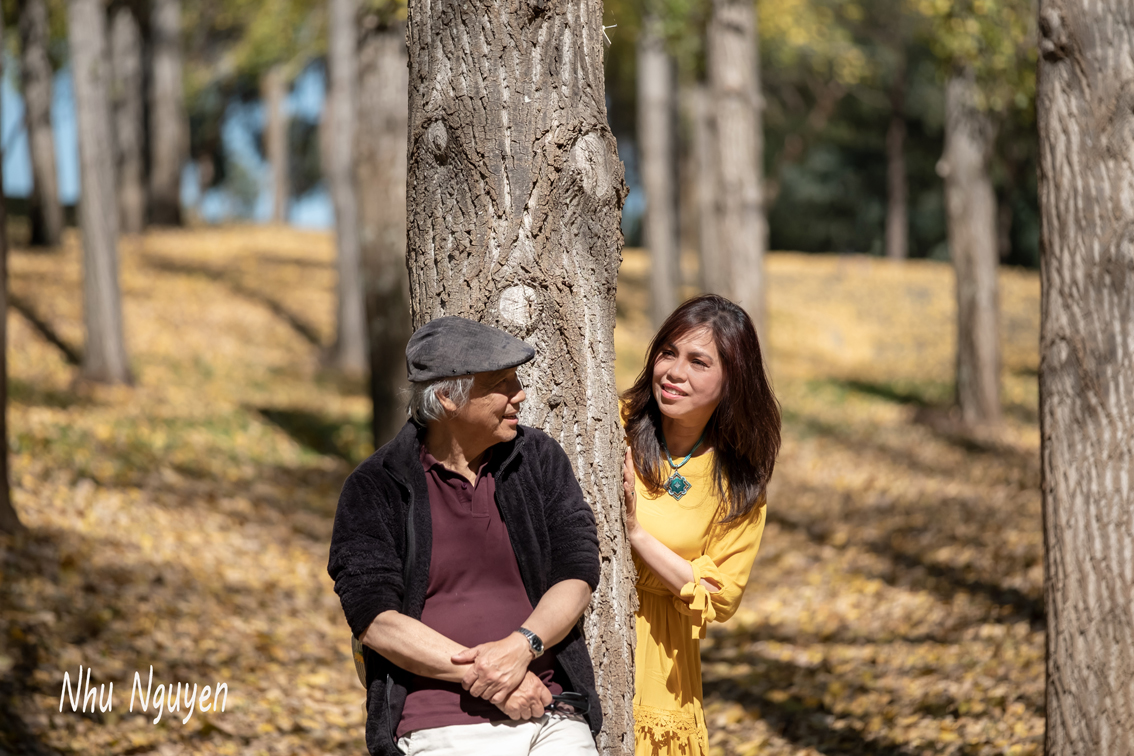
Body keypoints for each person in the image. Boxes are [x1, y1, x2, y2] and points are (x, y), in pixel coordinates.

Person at [328, 316, 602, 756]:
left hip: (550, 713)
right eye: (501, 384)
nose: (520, 394)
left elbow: (578, 572)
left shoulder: (538, 459)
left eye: (516, 380)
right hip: (440, 724)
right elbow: (375, 621)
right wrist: (492, 677)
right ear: (446, 398)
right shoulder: (375, 485)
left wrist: (522, 647)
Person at [621, 294, 781, 755]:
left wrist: (635, 534)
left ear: (733, 381)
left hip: (665, 670)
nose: (674, 372)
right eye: (668, 353)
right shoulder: (611, 424)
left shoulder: (738, 483)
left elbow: (721, 595)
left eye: (698, 362)